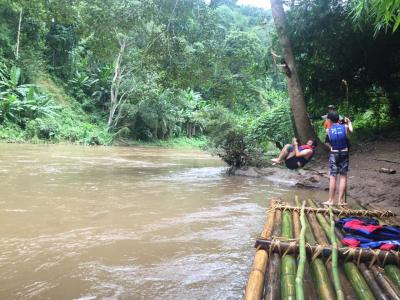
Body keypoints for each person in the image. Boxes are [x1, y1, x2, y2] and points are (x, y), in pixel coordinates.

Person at [323, 111, 353, 206]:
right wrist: (349, 122)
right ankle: (340, 201)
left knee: (333, 177)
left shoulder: (328, 130)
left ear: (329, 120)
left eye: (327, 119)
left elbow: (330, 140)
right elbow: (351, 131)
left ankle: (331, 201)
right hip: (344, 153)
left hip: (334, 153)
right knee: (343, 176)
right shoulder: (344, 127)